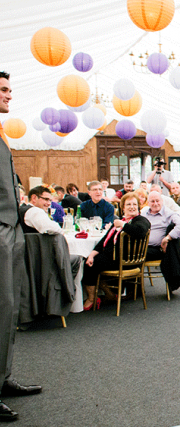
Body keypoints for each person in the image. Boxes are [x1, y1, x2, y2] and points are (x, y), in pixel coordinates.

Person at [0, 71, 42, 422]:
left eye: (10, 89)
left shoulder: (1, 137)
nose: (8, 95)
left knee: (8, 310)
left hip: (10, 233)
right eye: (2, 90)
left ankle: (3, 377)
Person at [81, 193, 151, 311]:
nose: (132, 207)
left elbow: (140, 231)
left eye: (134, 204)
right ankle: (108, 294)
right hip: (113, 258)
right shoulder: (121, 221)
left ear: (139, 207)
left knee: (90, 266)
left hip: (125, 260)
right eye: (128, 204)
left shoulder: (141, 220)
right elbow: (104, 240)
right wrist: (92, 255)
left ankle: (92, 298)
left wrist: (123, 225)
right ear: (123, 207)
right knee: (88, 261)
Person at [19, 185, 82, 277]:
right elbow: (52, 229)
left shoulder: (21, 209)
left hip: (27, 257)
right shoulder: (34, 211)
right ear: (34, 198)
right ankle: (70, 290)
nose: (49, 204)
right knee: (78, 258)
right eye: (46, 199)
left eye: (50, 200)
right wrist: (61, 230)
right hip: (42, 259)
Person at [143, 191, 180, 292]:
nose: (155, 203)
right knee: (128, 253)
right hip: (143, 246)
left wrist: (167, 238)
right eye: (152, 201)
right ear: (148, 203)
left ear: (162, 201)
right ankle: (132, 286)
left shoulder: (169, 213)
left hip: (158, 249)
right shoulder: (144, 213)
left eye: (157, 201)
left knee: (131, 255)